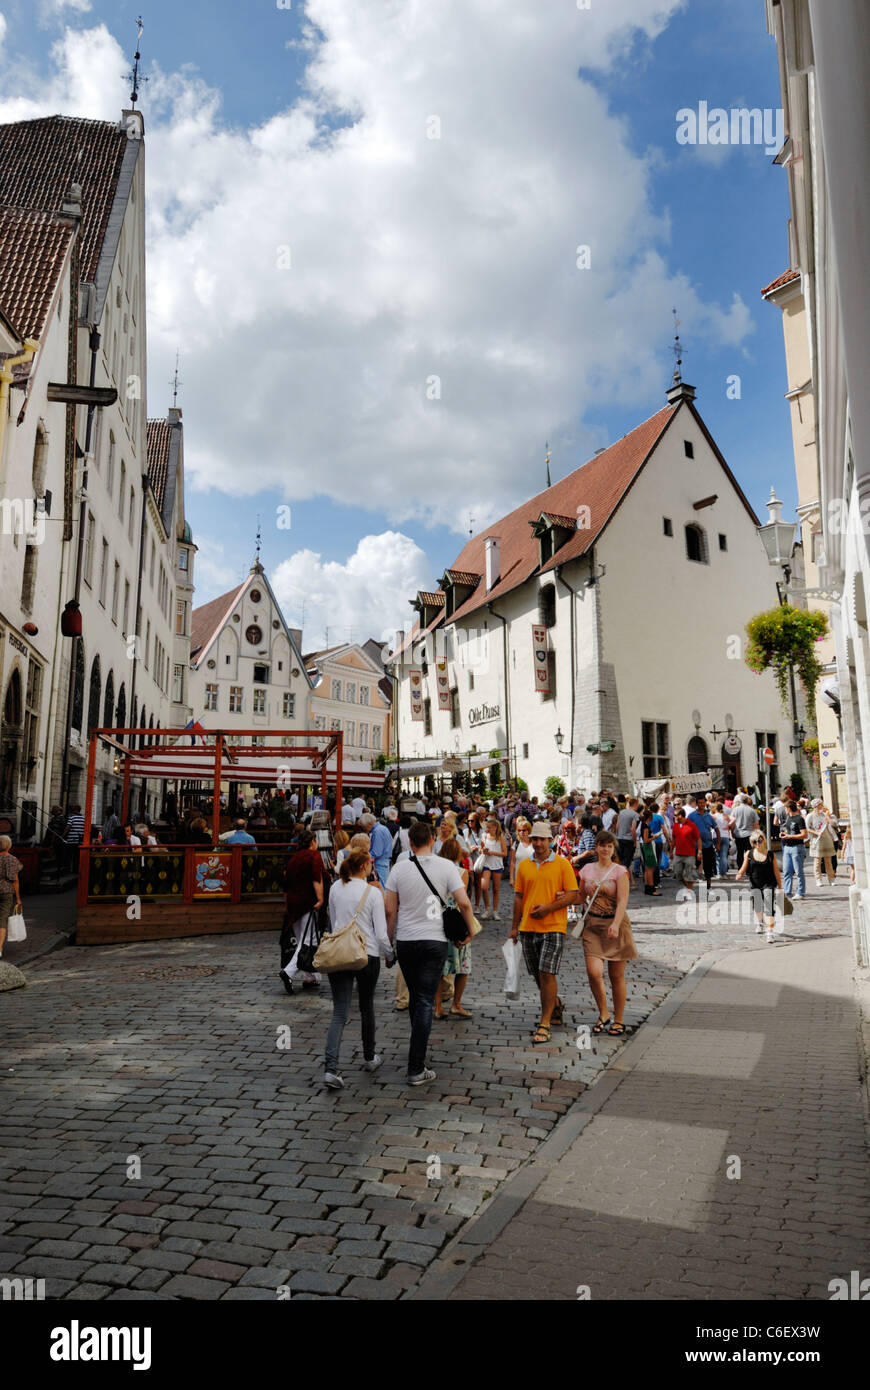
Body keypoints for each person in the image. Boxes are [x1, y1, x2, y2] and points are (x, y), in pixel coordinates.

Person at [384, 819, 475, 1085]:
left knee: (417, 998)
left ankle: (417, 1053)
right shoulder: (446, 866)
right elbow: (464, 903)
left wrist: (389, 943)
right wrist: (470, 931)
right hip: (434, 940)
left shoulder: (399, 869)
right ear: (433, 840)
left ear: (409, 842)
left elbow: (390, 910)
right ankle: (416, 1066)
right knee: (424, 1000)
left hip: (407, 940)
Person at [322, 847, 395, 1089]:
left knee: (339, 1012)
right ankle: (369, 1055)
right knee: (367, 1007)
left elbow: (333, 921)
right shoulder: (372, 892)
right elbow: (381, 933)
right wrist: (390, 954)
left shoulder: (335, 887)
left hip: (340, 952)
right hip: (367, 953)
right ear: (365, 866)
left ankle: (331, 1068)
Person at [511, 821, 577, 1045]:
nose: (538, 843)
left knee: (547, 973)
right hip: (528, 927)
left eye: (542, 839)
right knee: (538, 975)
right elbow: (519, 896)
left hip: (554, 926)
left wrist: (548, 909)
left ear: (550, 840)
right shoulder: (525, 866)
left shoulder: (562, 864)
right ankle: (555, 1003)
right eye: (535, 839)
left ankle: (544, 1022)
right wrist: (514, 927)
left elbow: (573, 895)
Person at [433, 838, 474, 1020]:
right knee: (463, 967)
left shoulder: (435, 871)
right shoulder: (461, 872)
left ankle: (437, 1006)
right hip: (455, 921)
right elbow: (462, 901)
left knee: (439, 968)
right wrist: (470, 929)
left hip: (438, 920)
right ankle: (456, 1004)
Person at [282, 827, 325, 990]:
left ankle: (311, 976)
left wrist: (287, 904)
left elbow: (286, 885)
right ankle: (289, 971)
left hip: (294, 902)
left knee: (303, 938)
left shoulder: (293, 858)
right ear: (313, 842)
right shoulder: (314, 855)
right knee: (309, 940)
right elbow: (316, 878)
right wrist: (320, 898)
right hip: (307, 901)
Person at [736, 831, 783, 943]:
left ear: (764, 841)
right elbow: (743, 867)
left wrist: (780, 886)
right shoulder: (749, 854)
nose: (757, 843)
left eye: (759, 840)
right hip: (755, 884)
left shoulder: (771, 855)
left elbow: (776, 871)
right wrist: (739, 874)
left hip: (769, 884)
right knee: (758, 906)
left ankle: (770, 932)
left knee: (769, 907)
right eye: (754, 841)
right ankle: (760, 922)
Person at [686, 796, 719, 892]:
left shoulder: (709, 816)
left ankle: (709, 887)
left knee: (709, 867)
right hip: (695, 846)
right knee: (693, 866)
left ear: (705, 803)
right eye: (700, 803)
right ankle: (690, 888)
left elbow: (716, 829)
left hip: (708, 845)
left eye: (703, 803)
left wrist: (718, 843)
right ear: (696, 804)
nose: (702, 804)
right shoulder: (691, 816)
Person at [478, 816, 507, 920]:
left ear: (495, 827)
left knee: (496, 889)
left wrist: (492, 853)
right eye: (487, 828)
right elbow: (480, 850)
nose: (487, 830)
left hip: (497, 864)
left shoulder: (501, 837)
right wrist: (483, 851)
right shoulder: (484, 836)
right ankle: (487, 908)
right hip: (486, 863)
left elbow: (505, 853)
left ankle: (495, 911)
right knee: (484, 887)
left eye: (489, 828)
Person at [779, 799, 808, 900]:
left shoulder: (799, 819)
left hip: (797, 847)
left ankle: (801, 892)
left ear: (789, 808)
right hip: (787, 847)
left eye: (785, 808)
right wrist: (783, 834)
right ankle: (787, 891)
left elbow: (804, 834)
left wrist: (790, 836)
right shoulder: (788, 818)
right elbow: (788, 831)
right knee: (787, 870)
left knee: (799, 871)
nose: (785, 810)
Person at [0, 836, 23, 958]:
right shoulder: (13, 860)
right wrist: (18, 898)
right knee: (2, 919)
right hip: (6, 892)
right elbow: (15, 880)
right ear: (9, 846)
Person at [806, 799, 837, 887]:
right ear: (816, 805)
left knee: (828, 861)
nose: (822, 806)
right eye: (820, 805)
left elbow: (829, 825)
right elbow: (808, 828)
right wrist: (817, 833)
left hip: (826, 839)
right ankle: (818, 880)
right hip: (817, 840)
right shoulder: (810, 816)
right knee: (817, 861)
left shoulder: (824, 815)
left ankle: (831, 879)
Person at [671, 807, 701, 889]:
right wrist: (671, 851)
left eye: (675, 815)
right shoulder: (676, 825)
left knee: (689, 874)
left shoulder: (692, 825)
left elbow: (698, 838)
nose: (674, 817)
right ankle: (687, 887)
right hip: (678, 853)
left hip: (689, 854)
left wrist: (699, 851)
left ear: (680, 815)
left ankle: (689, 890)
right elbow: (673, 839)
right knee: (678, 873)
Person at [360, 812, 393, 888]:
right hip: (384, 861)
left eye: (364, 827)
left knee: (381, 887)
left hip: (380, 862)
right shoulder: (382, 828)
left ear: (368, 824)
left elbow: (376, 852)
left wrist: (362, 857)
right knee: (383, 885)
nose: (364, 829)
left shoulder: (377, 831)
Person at [638, 805, 661, 896]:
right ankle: (651, 888)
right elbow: (646, 839)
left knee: (647, 869)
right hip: (648, 848)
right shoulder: (646, 827)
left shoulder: (642, 825)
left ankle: (647, 887)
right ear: (649, 817)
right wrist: (654, 837)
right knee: (650, 868)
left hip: (645, 847)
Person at [732, 794, 759, 868]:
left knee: (740, 852)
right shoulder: (752, 811)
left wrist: (732, 832)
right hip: (749, 834)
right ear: (747, 801)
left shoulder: (735, 810)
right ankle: (748, 869)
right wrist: (757, 834)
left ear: (740, 801)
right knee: (749, 852)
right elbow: (756, 824)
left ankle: (740, 868)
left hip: (738, 834)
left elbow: (732, 822)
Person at [615, 798, 640, 879]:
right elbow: (633, 829)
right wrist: (635, 841)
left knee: (620, 860)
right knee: (627, 862)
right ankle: (623, 880)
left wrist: (618, 835)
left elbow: (617, 826)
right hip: (629, 839)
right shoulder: (635, 814)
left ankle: (619, 878)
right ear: (636, 804)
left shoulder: (621, 812)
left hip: (620, 838)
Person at [509, 818, 534, 885]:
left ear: (529, 830)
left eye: (524, 830)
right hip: (519, 878)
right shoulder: (516, 844)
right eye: (519, 830)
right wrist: (511, 878)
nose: (521, 832)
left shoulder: (535, 844)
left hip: (533, 878)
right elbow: (512, 862)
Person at [712, 802, 734, 878]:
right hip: (725, 836)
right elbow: (734, 819)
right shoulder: (726, 816)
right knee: (724, 856)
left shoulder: (713, 816)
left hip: (715, 836)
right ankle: (723, 873)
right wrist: (728, 825)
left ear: (715, 809)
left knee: (718, 856)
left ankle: (719, 873)